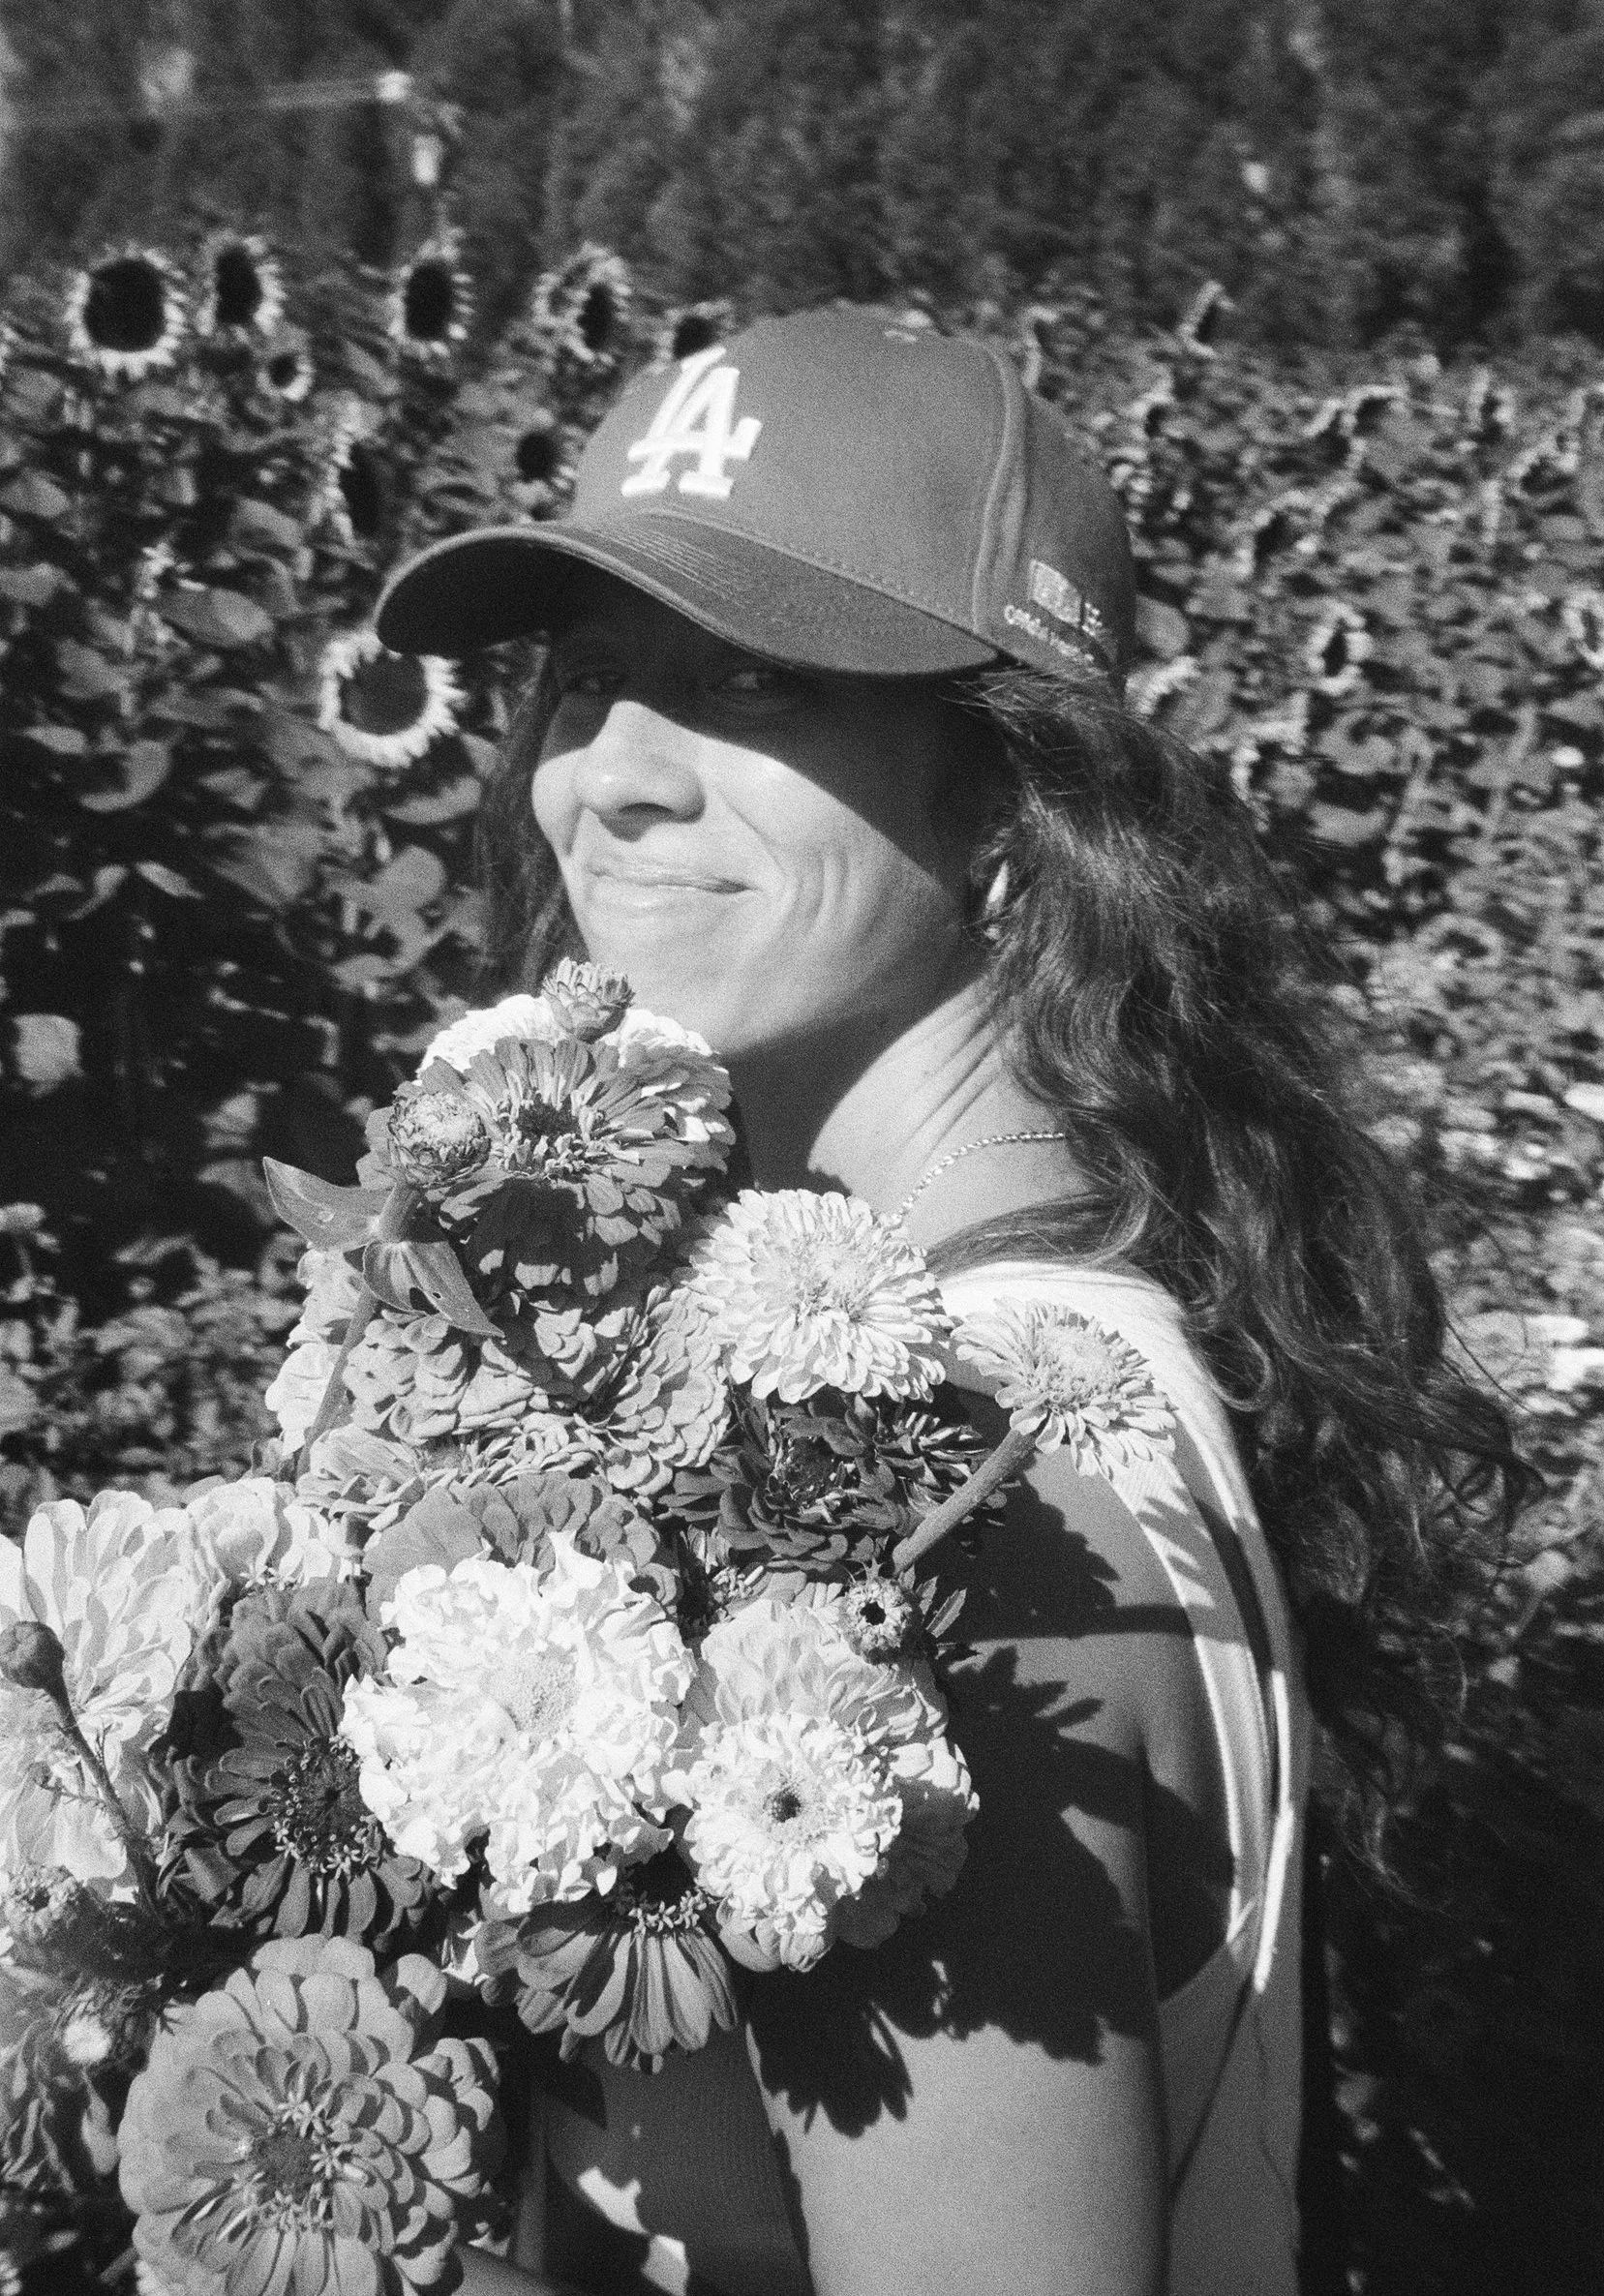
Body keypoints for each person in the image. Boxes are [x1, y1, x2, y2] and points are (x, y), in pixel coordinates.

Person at [373, 307, 1525, 2296]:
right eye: (585, 676)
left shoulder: (944, 1519)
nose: (605, 781)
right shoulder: (1036, 1359)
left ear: (1010, 794)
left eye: (746, 677)